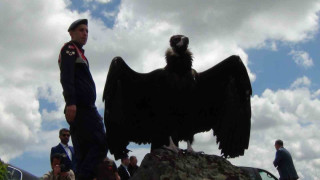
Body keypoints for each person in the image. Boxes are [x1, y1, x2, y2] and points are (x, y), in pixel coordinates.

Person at [58, 19, 107, 180]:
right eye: (81, 30)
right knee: (101, 143)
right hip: (80, 107)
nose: (85, 33)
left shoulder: (81, 54)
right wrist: (71, 102)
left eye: (87, 31)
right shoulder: (69, 49)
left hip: (86, 107)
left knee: (84, 151)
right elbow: (67, 76)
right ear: (71, 33)